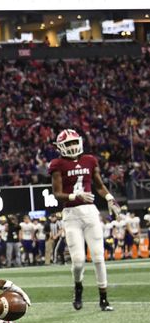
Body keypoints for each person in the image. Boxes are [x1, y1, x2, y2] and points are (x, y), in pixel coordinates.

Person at [49, 129, 119, 311]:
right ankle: (78, 286)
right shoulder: (57, 164)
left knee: (98, 257)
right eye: (68, 143)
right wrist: (75, 195)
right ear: (61, 147)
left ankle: (104, 298)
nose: (72, 146)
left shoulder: (89, 160)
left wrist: (110, 198)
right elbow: (57, 194)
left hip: (90, 213)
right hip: (71, 214)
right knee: (78, 261)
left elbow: (99, 185)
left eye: (74, 142)